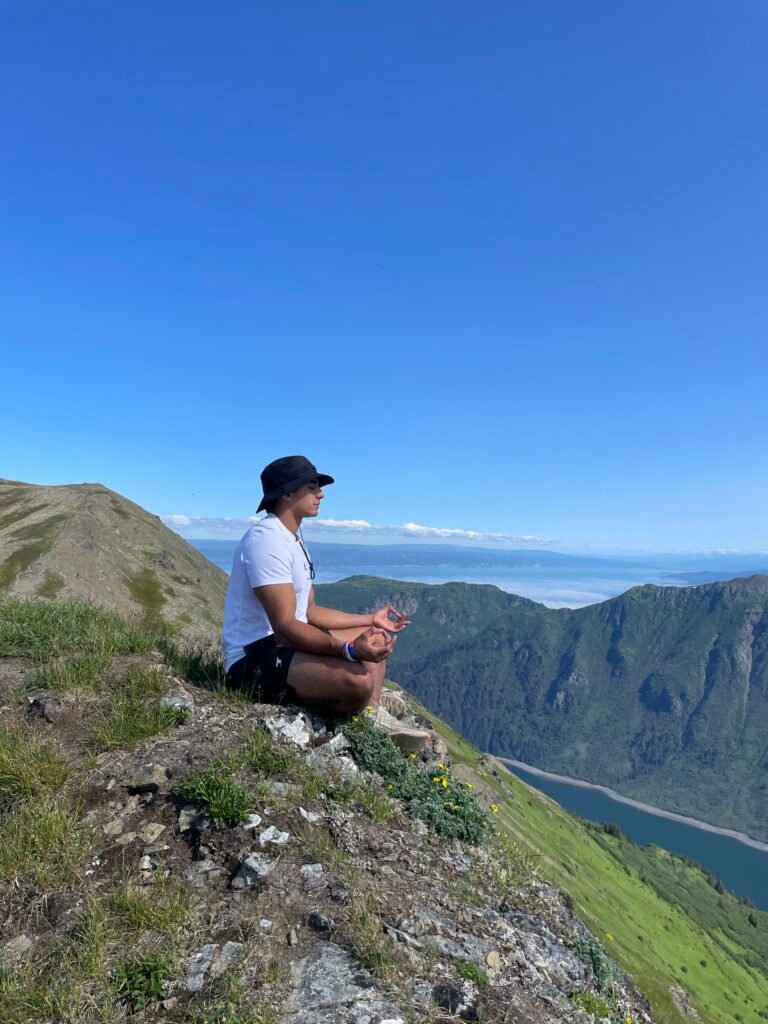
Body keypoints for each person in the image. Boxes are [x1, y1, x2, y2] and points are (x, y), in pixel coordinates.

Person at [222, 455, 430, 750]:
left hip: (283, 645)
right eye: (312, 487)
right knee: (357, 680)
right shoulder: (266, 541)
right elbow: (284, 627)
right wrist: (348, 650)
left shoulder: (293, 539)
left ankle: (371, 712)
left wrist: (370, 620)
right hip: (252, 659)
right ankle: (354, 702)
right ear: (287, 494)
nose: (321, 494)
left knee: (375, 637)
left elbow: (309, 612)